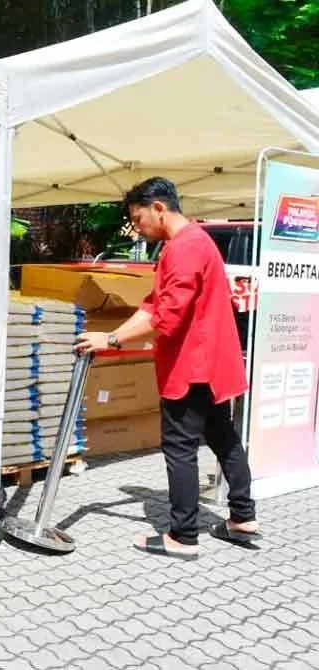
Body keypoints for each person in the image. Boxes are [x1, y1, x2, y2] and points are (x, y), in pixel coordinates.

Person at [77, 176, 260, 559]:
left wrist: (110, 341)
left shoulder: (185, 248)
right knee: (222, 435)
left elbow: (167, 316)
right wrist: (113, 333)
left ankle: (183, 535)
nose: (136, 226)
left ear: (159, 208)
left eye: (138, 217)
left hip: (192, 365)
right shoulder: (187, 244)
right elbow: (151, 302)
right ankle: (242, 517)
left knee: (179, 446)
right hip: (211, 363)